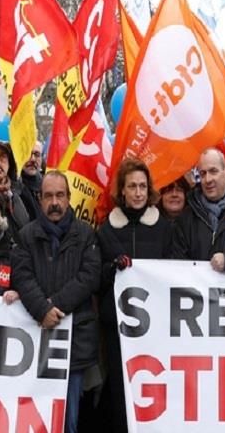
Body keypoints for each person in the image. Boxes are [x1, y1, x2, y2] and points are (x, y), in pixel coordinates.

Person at [12, 171, 100, 433]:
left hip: (74, 344)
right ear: (39, 200)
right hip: (33, 343)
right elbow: (22, 275)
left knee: (68, 418)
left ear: (69, 198)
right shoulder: (27, 236)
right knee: (34, 418)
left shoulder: (86, 235)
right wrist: (41, 309)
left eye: (60, 195)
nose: (54, 202)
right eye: (48, 196)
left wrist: (54, 305)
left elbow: (90, 277)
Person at [97, 159, 171, 433]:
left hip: (156, 328)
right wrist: (112, 268)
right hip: (118, 328)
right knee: (121, 387)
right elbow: (97, 280)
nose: (138, 192)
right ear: (122, 191)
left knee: (153, 385)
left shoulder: (164, 229)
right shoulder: (106, 231)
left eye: (142, 186)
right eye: (132, 187)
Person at [20, 140, 44, 205]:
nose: (33, 159)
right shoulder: (13, 187)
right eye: (28, 154)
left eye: (37, 155)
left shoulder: (46, 185)